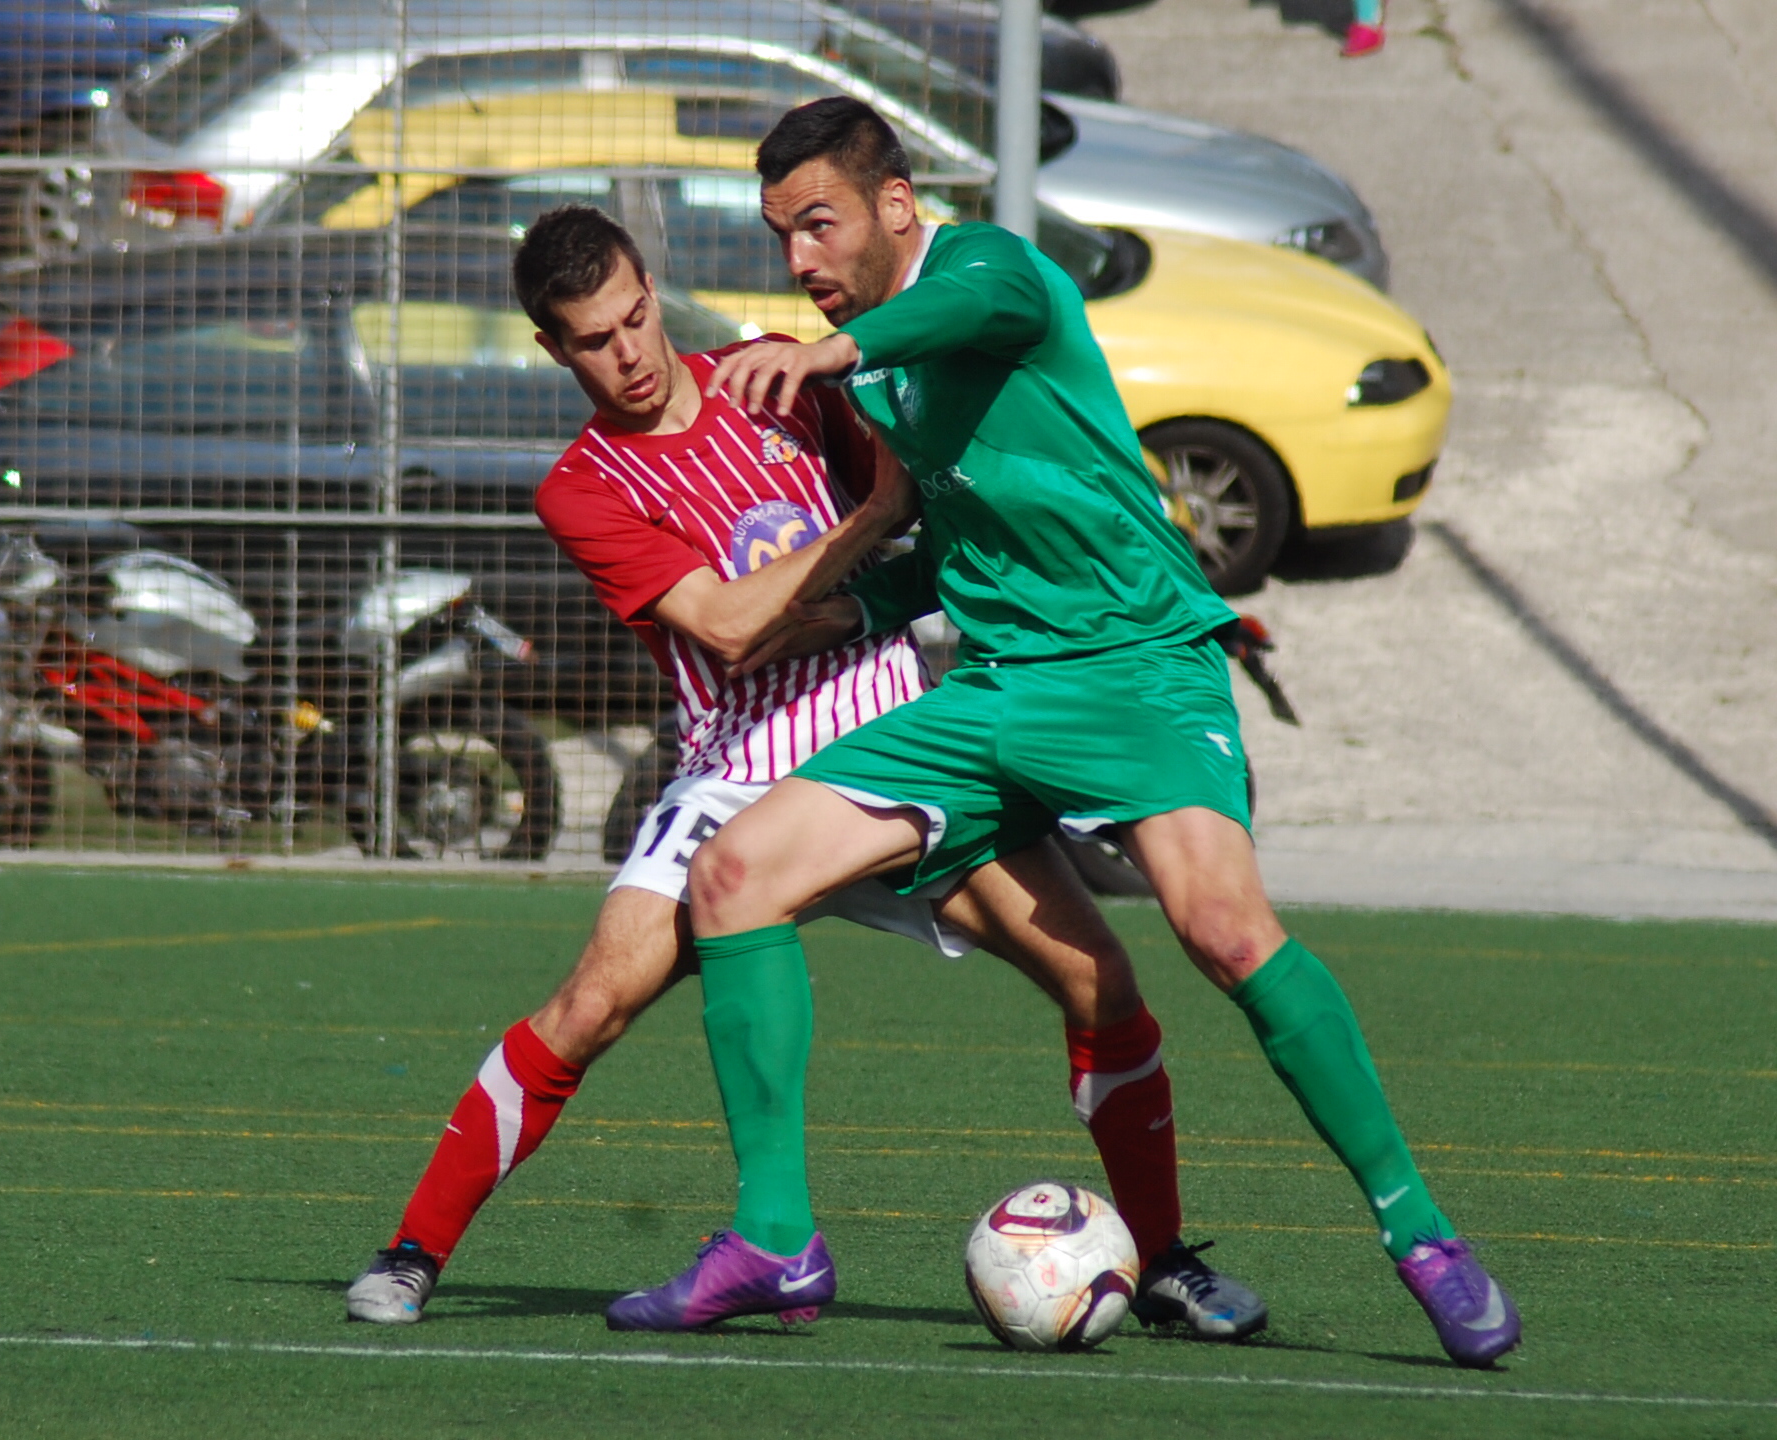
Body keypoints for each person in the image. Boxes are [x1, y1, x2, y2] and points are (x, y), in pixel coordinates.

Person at [613, 97, 1520, 1369]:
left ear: (894, 205)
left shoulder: (987, 271)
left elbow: (968, 313)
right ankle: (775, 1238)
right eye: (782, 238)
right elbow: (958, 539)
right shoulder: (879, 359)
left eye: (818, 226)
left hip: (1143, 670)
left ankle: (1421, 1235)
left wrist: (828, 357)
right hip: (994, 691)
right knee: (733, 876)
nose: (801, 263)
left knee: (1223, 930)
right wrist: (835, 611)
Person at [342, 204, 1267, 1342]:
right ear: (553, 349)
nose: (627, 352)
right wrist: (872, 516)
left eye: (635, 317)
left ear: (653, 288)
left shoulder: (775, 379)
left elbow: (928, 463)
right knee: (588, 1004)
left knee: (1103, 984)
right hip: (740, 771)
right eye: (592, 339)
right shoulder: (583, 485)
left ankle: (1165, 1262)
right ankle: (413, 1252)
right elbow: (730, 629)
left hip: (897, 743)